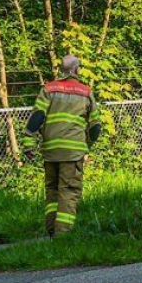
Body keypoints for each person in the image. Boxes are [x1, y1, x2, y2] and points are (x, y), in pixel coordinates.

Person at [27, 55, 101, 235]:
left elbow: (36, 118)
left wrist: (28, 144)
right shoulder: (85, 91)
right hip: (73, 153)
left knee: (52, 192)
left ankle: (51, 232)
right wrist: (87, 146)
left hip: (50, 151)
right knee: (69, 192)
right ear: (76, 70)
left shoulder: (49, 89)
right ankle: (63, 236)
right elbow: (95, 126)